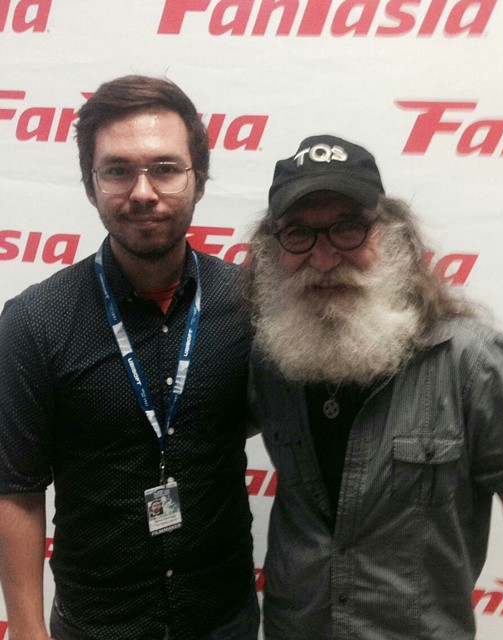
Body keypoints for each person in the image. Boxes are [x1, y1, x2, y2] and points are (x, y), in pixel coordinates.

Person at [246, 134, 503, 640]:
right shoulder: (268, 357)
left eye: (349, 229)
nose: (324, 259)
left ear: (390, 236)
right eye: (299, 234)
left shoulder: (468, 359)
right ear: (272, 249)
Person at [0, 76, 258, 640]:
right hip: (97, 624)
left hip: (224, 618)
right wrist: (24, 628)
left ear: (199, 178)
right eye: (117, 170)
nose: (143, 191)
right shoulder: (34, 322)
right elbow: (15, 488)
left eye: (165, 168)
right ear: (91, 186)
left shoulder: (251, 305)